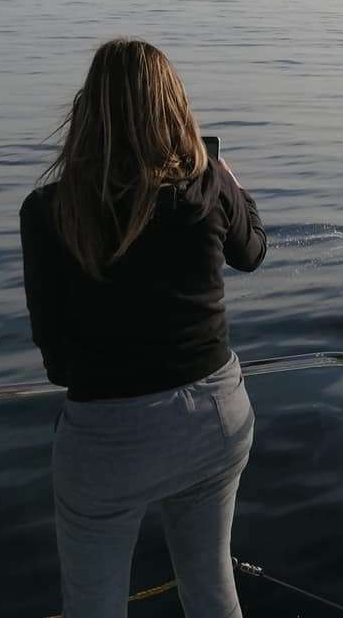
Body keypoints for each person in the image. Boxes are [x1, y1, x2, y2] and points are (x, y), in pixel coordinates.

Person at [19, 38, 267, 618]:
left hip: (108, 436)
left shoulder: (48, 211)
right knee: (211, 587)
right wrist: (235, 187)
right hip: (218, 416)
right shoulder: (209, 186)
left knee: (94, 604)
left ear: (88, 112)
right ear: (174, 107)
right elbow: (252, 252)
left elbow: (56, 362)